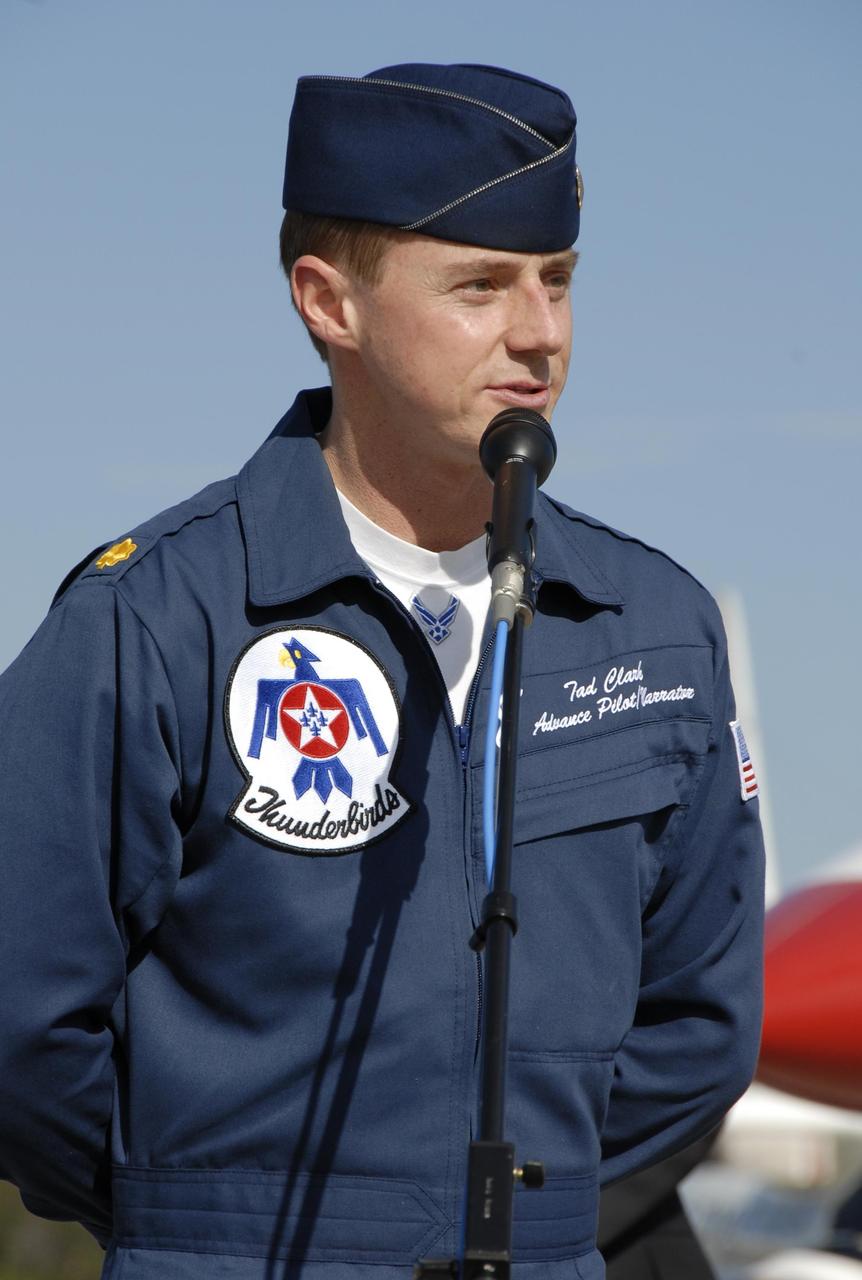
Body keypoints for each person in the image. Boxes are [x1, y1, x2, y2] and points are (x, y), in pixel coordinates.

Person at [0, 63, 764, 1279]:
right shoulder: (155, 617)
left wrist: (531, 1207)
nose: (539, 333)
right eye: (478, 286)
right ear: (328, 301)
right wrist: (204, 1209)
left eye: (556, 282)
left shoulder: (652, 626)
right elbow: (23, 1028)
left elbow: (700, 1023)